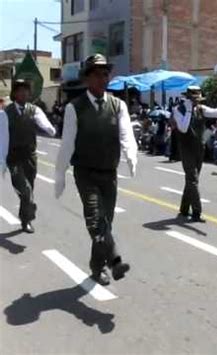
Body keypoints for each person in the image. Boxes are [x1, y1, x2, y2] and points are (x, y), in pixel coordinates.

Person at [55, 54, 137, 286]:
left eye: (106, 73)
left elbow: (126, 133)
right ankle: (114, 260)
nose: (103, 78)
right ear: (88, 78)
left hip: (109, 174)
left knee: (105, 224)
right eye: (98, 74)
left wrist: (131, 154)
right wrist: (60, 175)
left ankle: (96, 266)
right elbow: (67, 144)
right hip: (85, 173)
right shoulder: (74, 108)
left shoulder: (118, 105)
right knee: (95, 220)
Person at [0, 80, 56, 233]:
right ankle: (30, 214)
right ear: (15, 93)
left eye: (26, 90)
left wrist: (50, 130)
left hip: (30, 157)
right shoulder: (5, 112)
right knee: (25, 191)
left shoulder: (34, 110)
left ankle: (25, 220)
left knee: (29, 190)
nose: (24, 93)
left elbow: (45, 124)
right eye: (20, 90)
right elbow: (2, 136)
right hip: (14, 158)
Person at [172, 86, 217, 223]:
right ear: (188, 99)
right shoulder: (178, 110)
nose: (197, 102)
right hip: (186, 148)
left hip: (199, 148)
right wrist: (189, 109)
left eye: (198, 99)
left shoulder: (201, 109)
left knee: (191, 179)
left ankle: (184, 208)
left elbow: (214, 112)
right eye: (194, 99)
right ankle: (197, 212)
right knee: (193, 179)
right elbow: (184, 128)